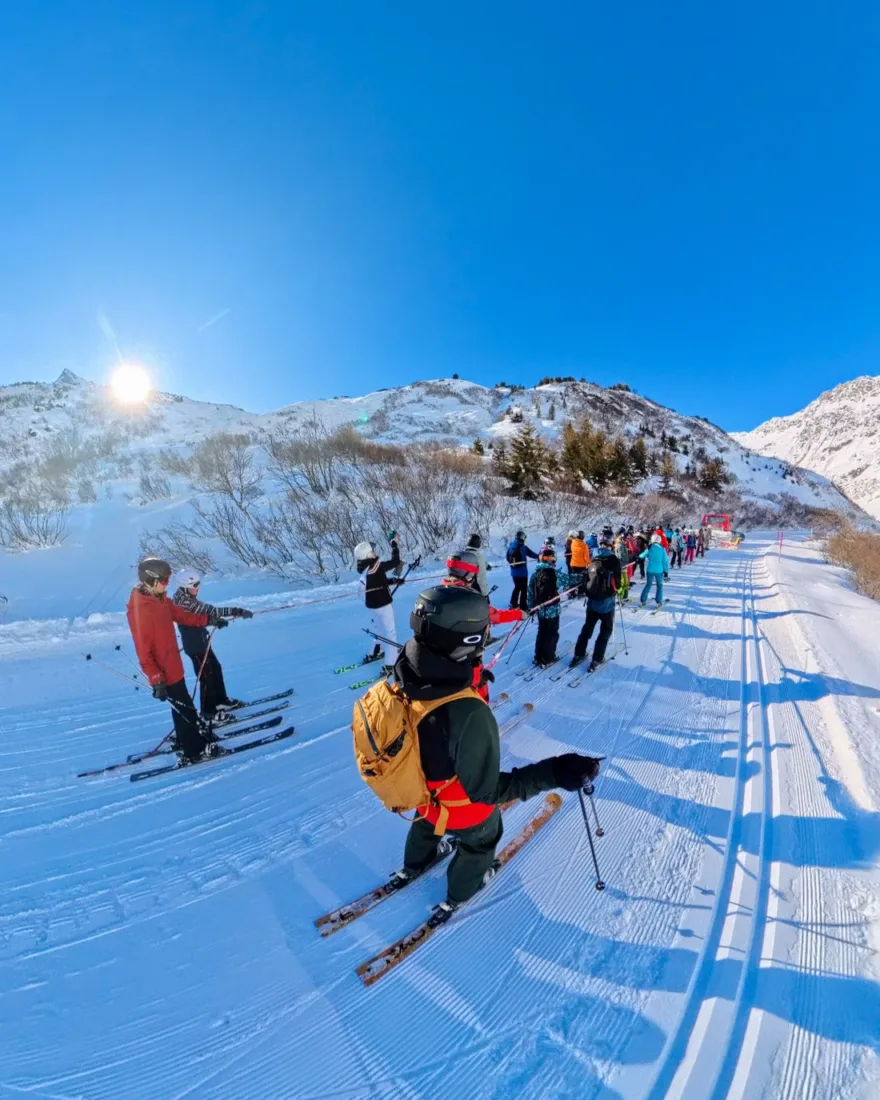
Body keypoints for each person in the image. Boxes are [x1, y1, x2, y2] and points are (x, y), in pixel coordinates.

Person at [388, 585, 601, 921]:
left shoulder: (404, 671)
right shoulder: (469, 714)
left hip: (418, 793)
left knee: (427, 820)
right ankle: (462, 890)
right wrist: (555, 771)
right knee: (482, 836)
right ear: (468, 641)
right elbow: (488, 791)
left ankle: (416, 861)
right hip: (461, 808)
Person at [127, 558, 220, 763]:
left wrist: (209, 620)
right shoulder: (140, 610)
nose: (167, 584)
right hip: (163, 671)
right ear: (150, 580)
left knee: (181, 707)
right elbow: (143, 652)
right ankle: (194, 750)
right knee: (185, 707)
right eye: (164, 580)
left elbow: (184, 616)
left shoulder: (161, 600)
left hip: (173, 665)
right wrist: (156, 679)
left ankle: (185, 739)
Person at [172, 569, 254, 722]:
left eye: (198, 584)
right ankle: (209, 713)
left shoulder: (185, 597)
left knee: (215, 668)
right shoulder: (184, 602)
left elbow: (209, 611)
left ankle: (221, 701)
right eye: (194, 585)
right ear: (184, 586)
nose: (197, 588)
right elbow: (208, 613)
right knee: (206, 677)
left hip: (201, 642)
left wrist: (236, 611)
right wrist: (215, 619)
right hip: (195, 646)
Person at [444, 550, 523, 701]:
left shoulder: (437, 594)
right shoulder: (472, 601)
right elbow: (496, 616)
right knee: (480, 695)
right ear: (469, 574)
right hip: (468, 664)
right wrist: (518, 614)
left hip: (441, 665)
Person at [571, 534, 622, 672]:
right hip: (606, 603)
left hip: (592, 601)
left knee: (587, 628)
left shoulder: (594, 558)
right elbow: (618, 583)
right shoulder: (613, 560)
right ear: (611, 544)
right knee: (606, 630)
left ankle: (578, 654)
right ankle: (597, 659)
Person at [527, 545, 579, 666]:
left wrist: (531, 607)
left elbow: (530, 593)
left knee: (541, 632)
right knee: (552, 633)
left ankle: (538, 656)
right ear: (552, 560)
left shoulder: (535, 574)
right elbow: (568, 579)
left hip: (540, 609)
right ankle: (548, 657)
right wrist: (583, 576)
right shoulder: (554, 574)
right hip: (552, 610)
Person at [356, 537, 402, 664]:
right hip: (383, 605)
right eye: (373, 551)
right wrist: (394, 545)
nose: (375, 552)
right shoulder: (377, 566)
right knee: (390, 633)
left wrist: (393, 581)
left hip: (372, 605)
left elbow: (378, 582)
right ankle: (390, 664)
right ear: (368, 554)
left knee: (378, 629)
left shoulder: (365, 568)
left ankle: (374, 652)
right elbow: (395, 561)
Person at [506, 529, 538, 612]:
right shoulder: (523, 547)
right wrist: (539, 556)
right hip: (522, 573)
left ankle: (513, 604)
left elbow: (507, 558)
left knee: (517, 587)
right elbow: (532, 554)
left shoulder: (511, 546)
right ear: (522, 538)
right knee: (524, 589)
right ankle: (523, 607)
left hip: (513, 573)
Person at [639, 534, 670, 607]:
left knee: (648, 585)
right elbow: (665, 561)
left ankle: (643, 600)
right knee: (659, 585)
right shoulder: (662, 549)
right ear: (659, 540)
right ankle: (659, 601)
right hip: (659, 571)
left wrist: (639, 558)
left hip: (650, 570)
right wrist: (666, 571)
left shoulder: (650, 548)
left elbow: (642, 555)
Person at [465, 533, 491, 597]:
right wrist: (485, 594)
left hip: (466, 589)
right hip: (478, 589)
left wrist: (486, 566)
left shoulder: (464, 555)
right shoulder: (478, 556)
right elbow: (481, 576)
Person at [568, 530, 590, 597]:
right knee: (582, 579)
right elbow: (586, 557)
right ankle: (581, 592)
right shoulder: (584, 545)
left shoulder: (573, 543)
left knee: (573, 579)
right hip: (581, 565)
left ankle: (571, 592)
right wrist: (588, 563)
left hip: (573, 564)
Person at [614, 528, 631, 600]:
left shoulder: (622, 544)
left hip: (624, 566)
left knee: (626, 582)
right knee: (622, 583)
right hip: (621, 567)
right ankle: (619, 597)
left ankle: (625, 596)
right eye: (625, 539)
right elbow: (620, 557)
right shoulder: (619, 545)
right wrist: (627, 559)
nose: (626, 540)